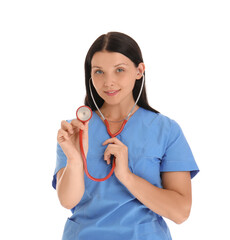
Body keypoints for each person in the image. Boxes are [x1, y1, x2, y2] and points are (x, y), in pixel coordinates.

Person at [52, 31, 199, 240]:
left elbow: (180, 212)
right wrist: (75, 159)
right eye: (99, 72)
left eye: (119, 70)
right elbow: (68, 201)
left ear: (139, 71)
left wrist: (127, 177)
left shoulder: (166, 130)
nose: (108, 82)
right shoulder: (73, 130)